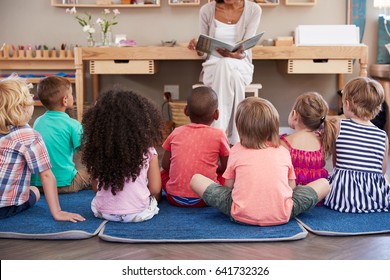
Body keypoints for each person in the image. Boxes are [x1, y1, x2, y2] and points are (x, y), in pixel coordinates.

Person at [190, 97, 330, 226]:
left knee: (196, 179)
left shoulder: (237, 150)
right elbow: (292, 188)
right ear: (273, 127)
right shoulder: (283, 151)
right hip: (283, 214)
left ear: (240, 129)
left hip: (240, 214)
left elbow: (228, 188)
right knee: (324, 183)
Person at [0, 74, 85, 222]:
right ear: (23, 107)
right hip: (5, 208)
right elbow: (46, 176)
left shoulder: (38, 122)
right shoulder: (30, 135)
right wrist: (58, 212)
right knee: (34, 192)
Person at [81, 88, 163, 223]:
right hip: (139, 214)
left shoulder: (98, 150)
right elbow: (155, 189)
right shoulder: (148, 151)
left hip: (103, 212)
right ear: (140, 122)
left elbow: (96, 188)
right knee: (152, 197)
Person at [188, 0, 261, 145]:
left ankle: (216, 135)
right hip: (213, 68)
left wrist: (236, 55)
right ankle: (237, 139)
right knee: (229, 71)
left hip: (241, 65)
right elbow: (204, 52)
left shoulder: (254, 10)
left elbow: (245, 49)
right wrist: (198, 47)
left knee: (227, 64)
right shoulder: (206, 11)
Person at [325, 77, 390, 213]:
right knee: (386, 178)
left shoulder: (340, 126)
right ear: (378, 108)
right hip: (373, 200)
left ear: (347, 104)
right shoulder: (382, 136)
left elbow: (336, 163)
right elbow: (381, 172)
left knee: (326, 179)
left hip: (343, 198)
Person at [161, 86, 230, 207]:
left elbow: (165, 166)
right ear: (216, 114)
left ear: (186, 111)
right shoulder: (219, 135)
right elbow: (227, 168)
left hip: (174, 197)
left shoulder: (176, 132)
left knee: (162, 174)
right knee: (225, 177)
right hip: (205, 198)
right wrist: (213, 168)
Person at [30, 76, 91, 193]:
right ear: (65, 100)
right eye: (72, 94)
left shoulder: (37, 121)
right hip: (65, 184)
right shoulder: (73, 124)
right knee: (91, 170)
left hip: (40, 183)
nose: (73, 97)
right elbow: (87, 150)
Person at [280, 91, 337, 187]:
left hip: (293, 195)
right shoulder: (323, 140)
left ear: (294, 115)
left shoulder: (283, 142)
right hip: (317, 196)